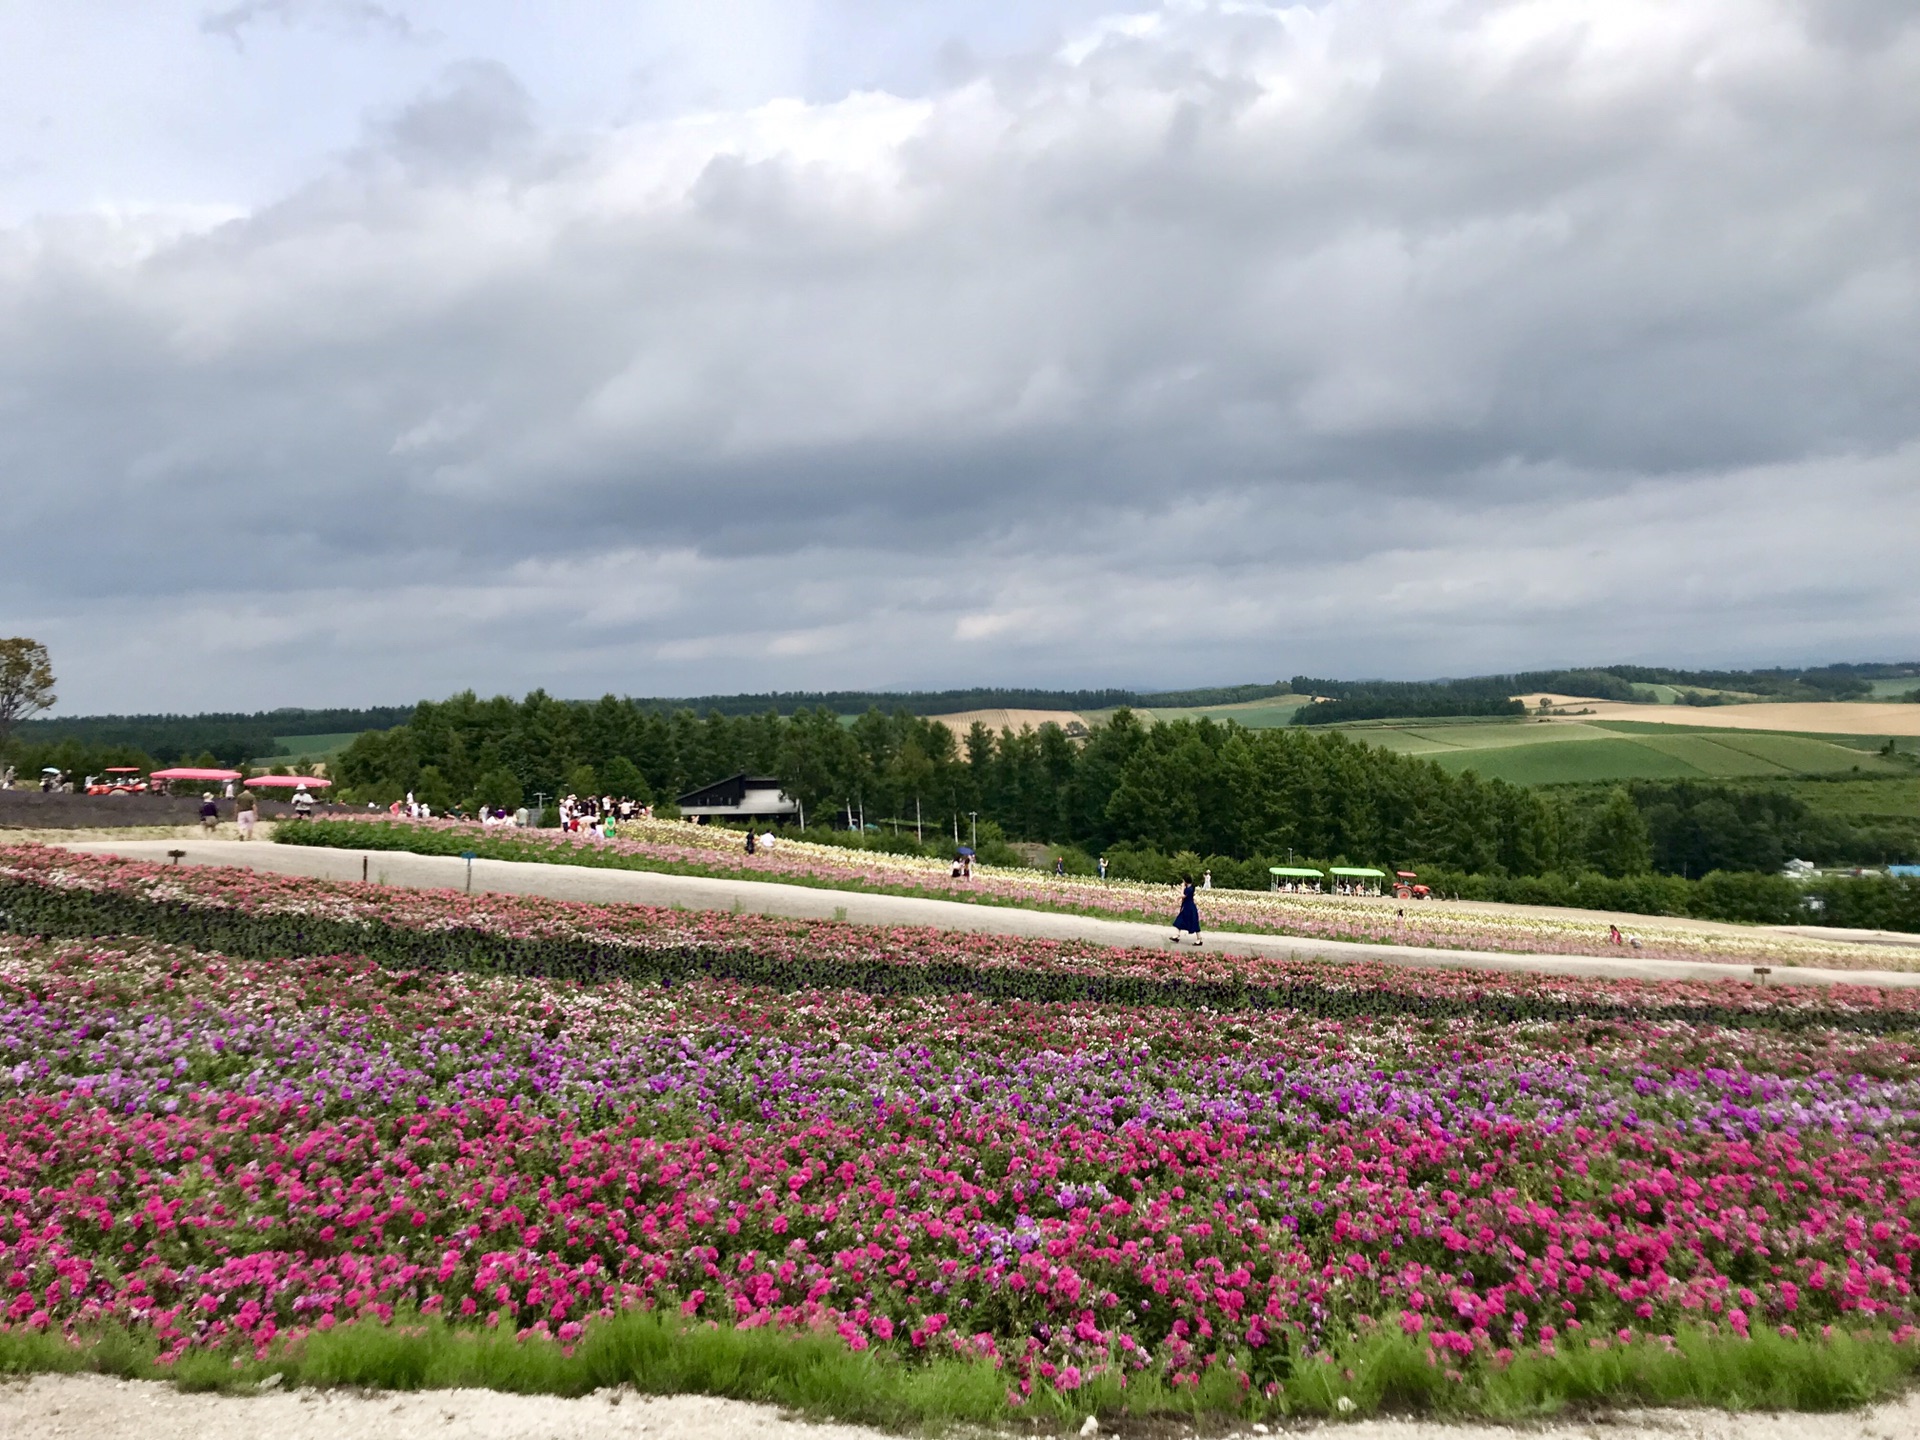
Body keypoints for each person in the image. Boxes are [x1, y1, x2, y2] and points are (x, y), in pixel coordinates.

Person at [1172, 878, 1202, 946]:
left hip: (1189, 908)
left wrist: (1180, 894)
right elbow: (1183, 893)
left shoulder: (1190, 889)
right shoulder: (1189, 888)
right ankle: (1177, 935)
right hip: (1187, 907)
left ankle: (1199, 939)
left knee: (1193, 922)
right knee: (1180, 920)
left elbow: (1183, 895)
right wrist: (1177, 889)